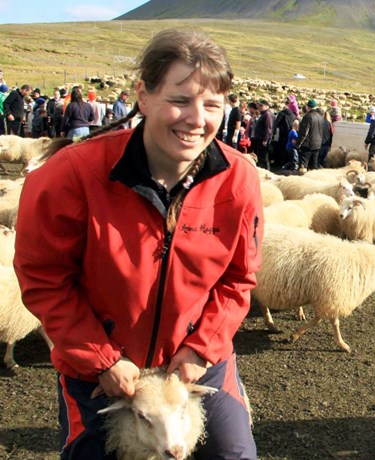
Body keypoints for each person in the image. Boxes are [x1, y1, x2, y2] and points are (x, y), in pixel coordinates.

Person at [13, 28, 261, 459]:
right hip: (99, 367)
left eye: (212, 105)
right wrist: (101, 359)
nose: (196, 119)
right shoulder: (72, 175)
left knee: (232, 454)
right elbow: (44, 276)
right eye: (180, 100)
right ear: (142, 96)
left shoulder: (237, 178)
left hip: (195, 360)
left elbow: (240, 277)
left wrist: (202, 348)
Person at [296, 99, 325, 172]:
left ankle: (302, 180)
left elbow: (304, 132)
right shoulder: (321, 117)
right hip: (317, 145)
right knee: (313, 166)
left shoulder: (308, 116)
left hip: (308, 145)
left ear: (308, 106)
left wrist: (298, 144)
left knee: (303, 166)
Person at [271, 98, 296, 169]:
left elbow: (276, 124)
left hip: (282, 134)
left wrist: (273, 133)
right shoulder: (293, 115)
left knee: (281, 148)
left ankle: (279, 162)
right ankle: (287, 162)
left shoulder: (282, 113)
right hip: (290, 133)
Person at [252, 98, 273, 169]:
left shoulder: (267, 114)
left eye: (261, 105)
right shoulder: (263, 114)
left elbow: (268, 128)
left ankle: (266, 171)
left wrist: (265, 139)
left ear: (266, 106)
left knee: (264, 158)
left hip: (263, 139)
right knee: (261, 157)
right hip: (260, 138)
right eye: (259, 105)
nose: (259, 107)